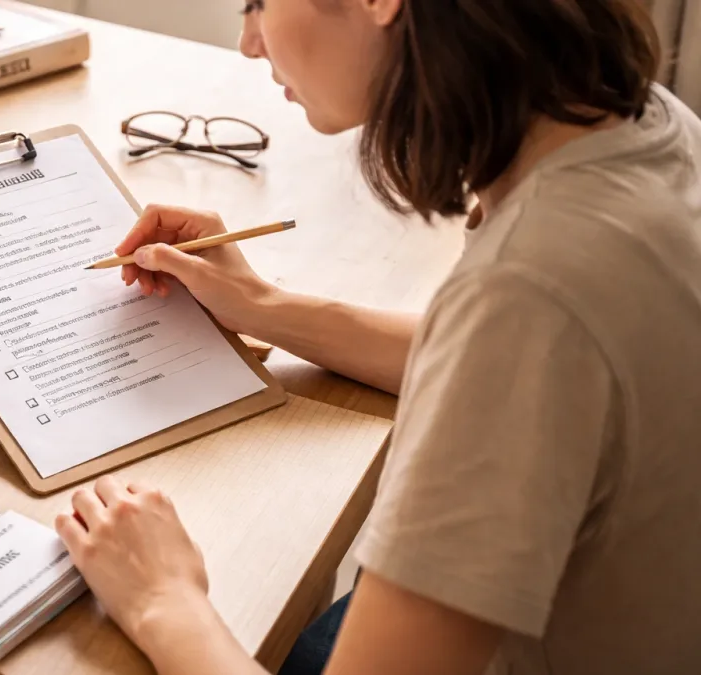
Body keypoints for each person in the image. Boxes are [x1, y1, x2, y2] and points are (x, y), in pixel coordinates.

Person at [52, 1, 701, 674]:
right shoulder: (632, 119)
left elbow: (515, 340)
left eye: (258, 3)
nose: (248, 43)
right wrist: (262, 304)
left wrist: (163, 598)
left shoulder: (530, 293)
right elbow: (513, 372)